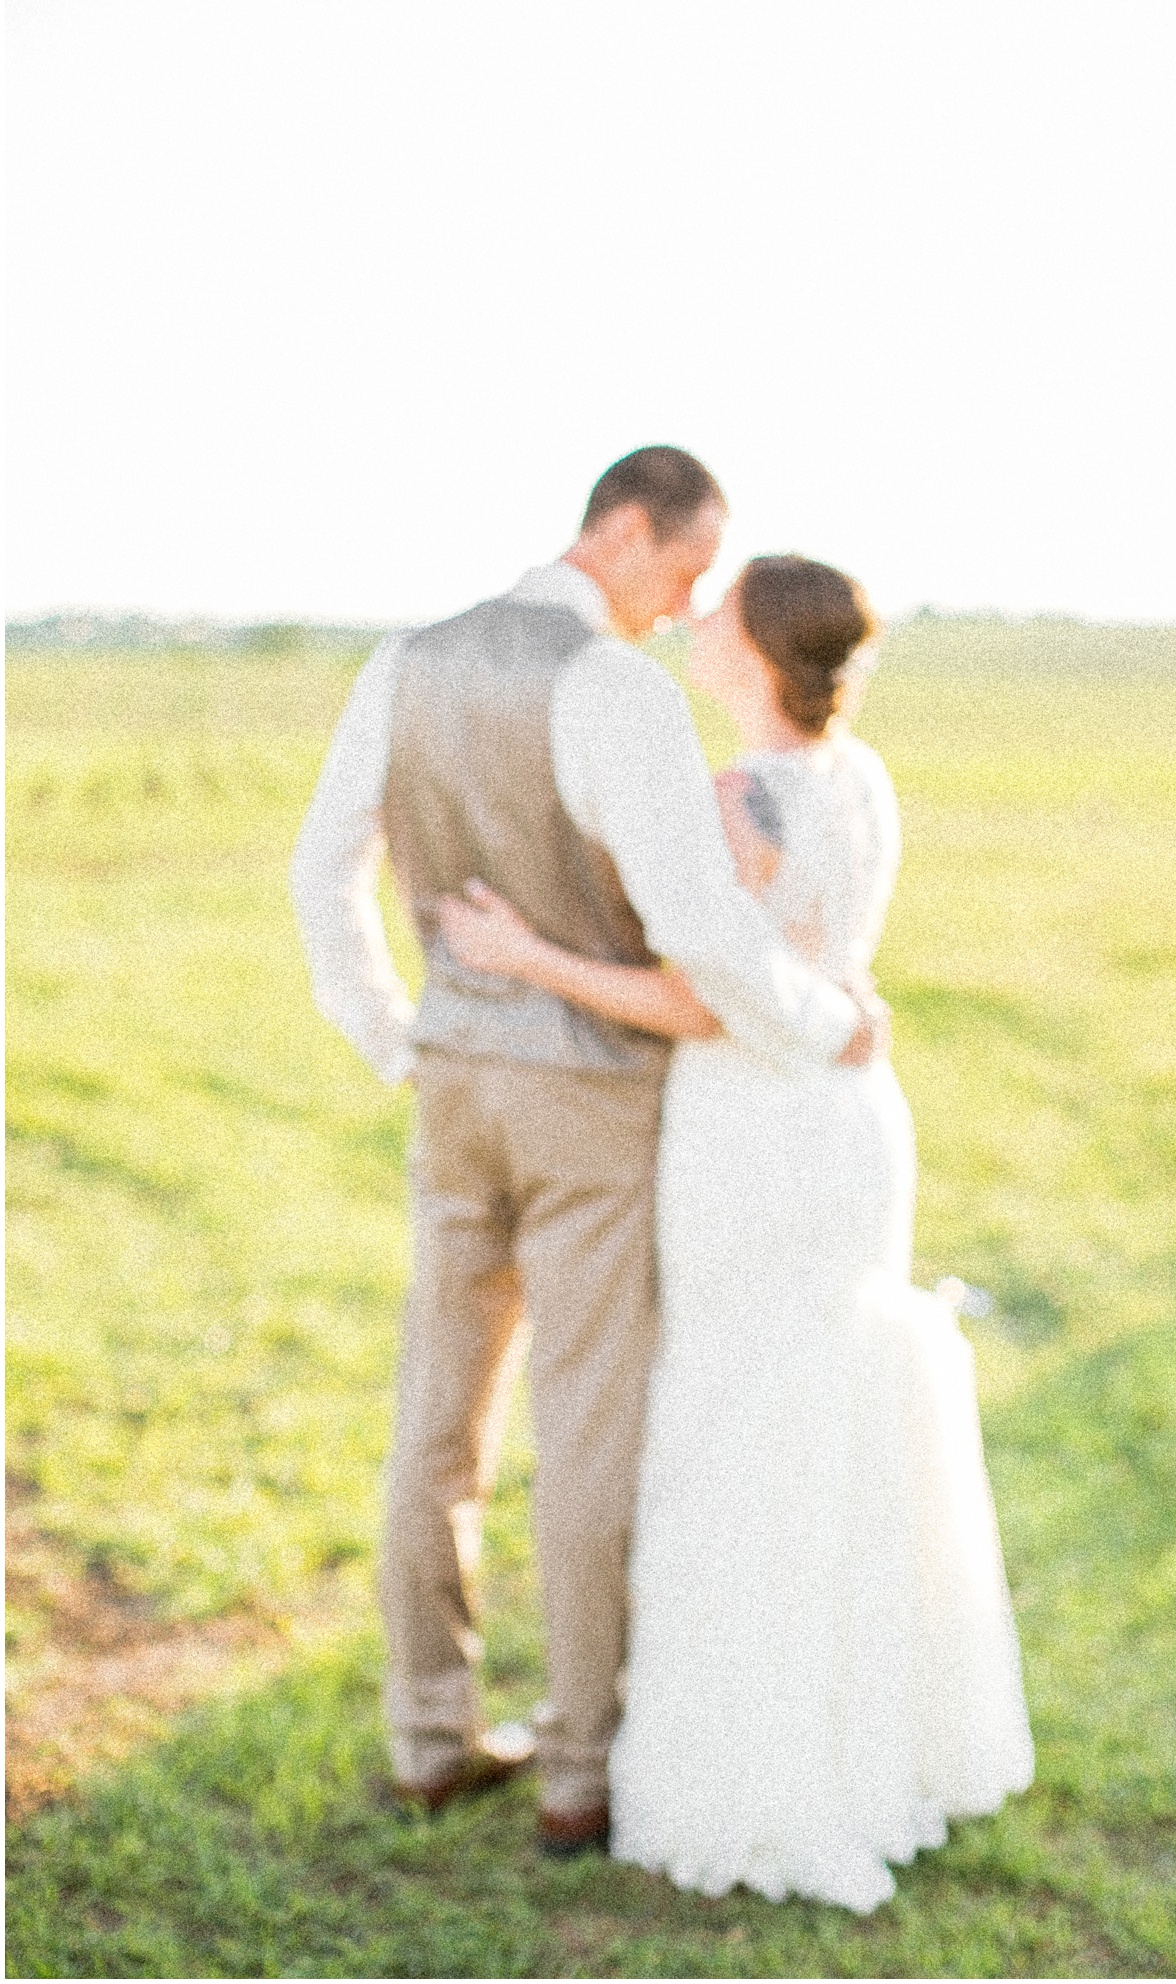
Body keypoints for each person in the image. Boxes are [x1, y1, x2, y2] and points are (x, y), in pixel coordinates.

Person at [290, 451, 882, 1855]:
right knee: (589, 1422)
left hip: (453, 1083)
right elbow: (699, 924)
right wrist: (818, 1020)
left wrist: (395, 1035)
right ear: (624, 528)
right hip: (590, 1105)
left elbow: (325, 869)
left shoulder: (405, 659)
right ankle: (574, 1767)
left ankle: (429, 1736)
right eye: (684, 571)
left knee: (437, 1414)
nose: (684, 606)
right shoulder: (610, 688)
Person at [438, 553, 1035, 1911]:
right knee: (818, 1418)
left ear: (755, 648)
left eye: (719, 611)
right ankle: (863, 1744)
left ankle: (758, 1774)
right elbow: (826, 965)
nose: (696, 621)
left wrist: (521, 955)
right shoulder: (861, 776)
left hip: (759, 1130)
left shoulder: (733, 795)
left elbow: (700, 998)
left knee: (733, 1426)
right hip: (853, 1117)